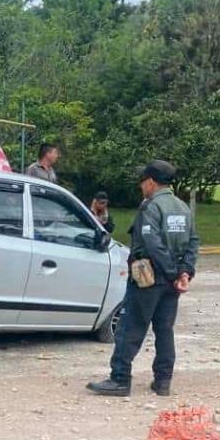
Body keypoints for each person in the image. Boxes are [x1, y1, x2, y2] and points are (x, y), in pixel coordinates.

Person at [87, 160, 199, 397]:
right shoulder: (182, 208)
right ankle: (162, 381)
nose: (141, 186)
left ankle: (120, 379)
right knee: (164, 329)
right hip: (173, 281)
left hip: (149, 279)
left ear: (150, 181)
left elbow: (152, 244)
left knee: (130, 328)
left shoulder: (150, 207)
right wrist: (184, 273)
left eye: (142, 181)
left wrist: (170, 273)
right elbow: (192, 242)